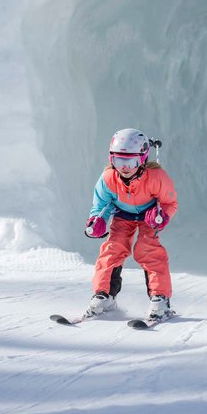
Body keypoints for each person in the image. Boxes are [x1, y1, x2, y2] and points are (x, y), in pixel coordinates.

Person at [84, 128, 178, 320]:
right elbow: (101, 204)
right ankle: (105, 295)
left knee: (147, 249)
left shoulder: (156, 177)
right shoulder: (109, 178)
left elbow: (170, 202)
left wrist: (162, 216)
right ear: (112, 160)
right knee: (112, 249)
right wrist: (97, 219)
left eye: (131, 161)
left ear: (142, 160)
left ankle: (160, 298)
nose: (125, 167)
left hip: (148, 216)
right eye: (119, 161)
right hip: (123, 215)